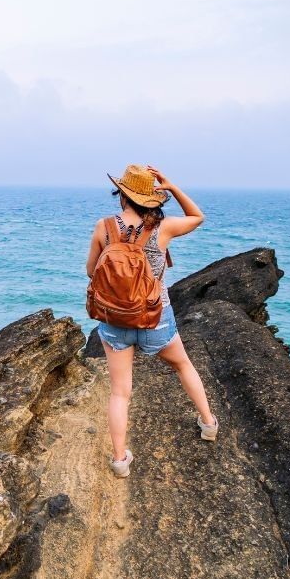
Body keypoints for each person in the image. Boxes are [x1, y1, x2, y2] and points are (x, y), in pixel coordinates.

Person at [85, 164, 219, 478]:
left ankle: (120, 461)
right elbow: (198, 217)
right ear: (152, 199)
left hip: (115, 321)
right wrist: (172, 187)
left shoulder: (103, 227)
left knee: (120, 392)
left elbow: (91, 271)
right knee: (183, 365)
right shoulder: (165, 228)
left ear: (122, 195)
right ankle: (209, 424)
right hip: (155, 319)